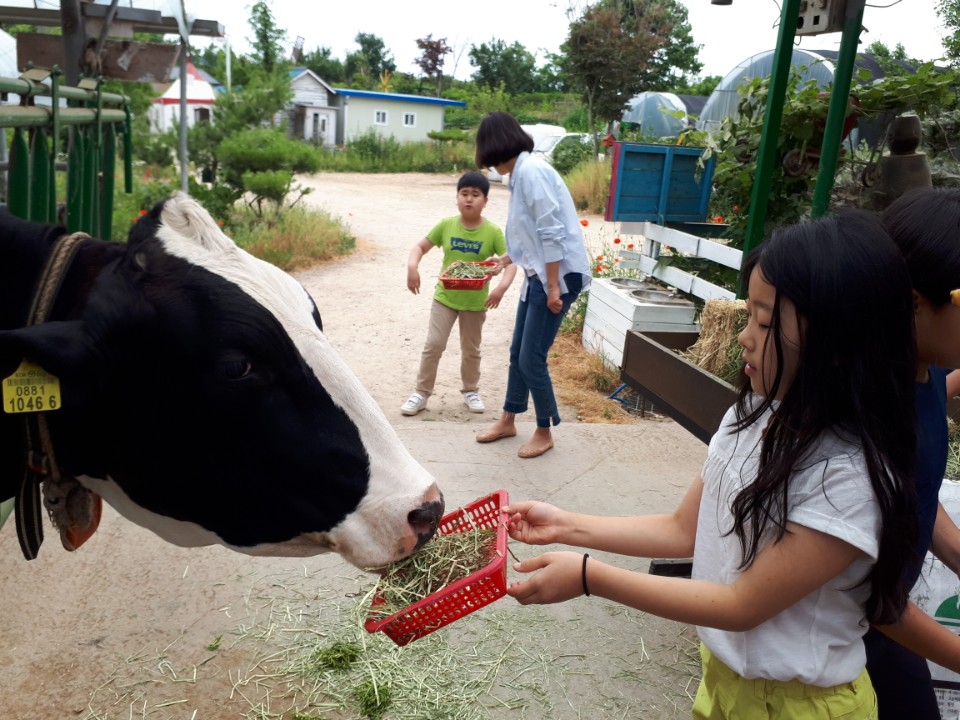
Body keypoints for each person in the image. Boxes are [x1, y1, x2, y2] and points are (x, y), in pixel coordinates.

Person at [502, 210, 920, 717]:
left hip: (802, 706)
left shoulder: (847, 476)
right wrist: (567, 525)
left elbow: (742, 606)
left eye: (765, 322)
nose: (745, 335)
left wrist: (591, 577)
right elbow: (683, 530)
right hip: (722, 684)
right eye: (748, 315)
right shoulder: (749, 415)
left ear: (839, 343)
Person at [863, 187, 960, 719]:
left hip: (883, 624)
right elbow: (870, 596)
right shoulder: (874, 425)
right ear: (915, 304)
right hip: (851, 636)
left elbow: (919, 494)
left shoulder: (921, 372)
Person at [472, 111, 592, 459]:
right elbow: (529, 234)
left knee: (531, 358)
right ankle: (508, 418)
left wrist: (554, 288)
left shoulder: (533, 172)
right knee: (517, 354)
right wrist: (507, 259)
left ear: (495, 147)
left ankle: (544, 429)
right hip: (540, 274)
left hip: (557, 276)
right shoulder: (521, 173)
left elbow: (551, 233)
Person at [400, 171, 516, 416]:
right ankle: (421, 393)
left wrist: (501, 288)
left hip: (475, 301)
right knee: (433, 345)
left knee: (471, 349)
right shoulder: (446, 225)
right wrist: (412, 267)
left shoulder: (493, 232)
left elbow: (511, 262)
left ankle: (470, 391)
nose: (469, 199)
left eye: (475, 194)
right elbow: (420, 246)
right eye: (464, 194)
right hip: (445, 297)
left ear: (485, 200)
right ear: (457, 198)